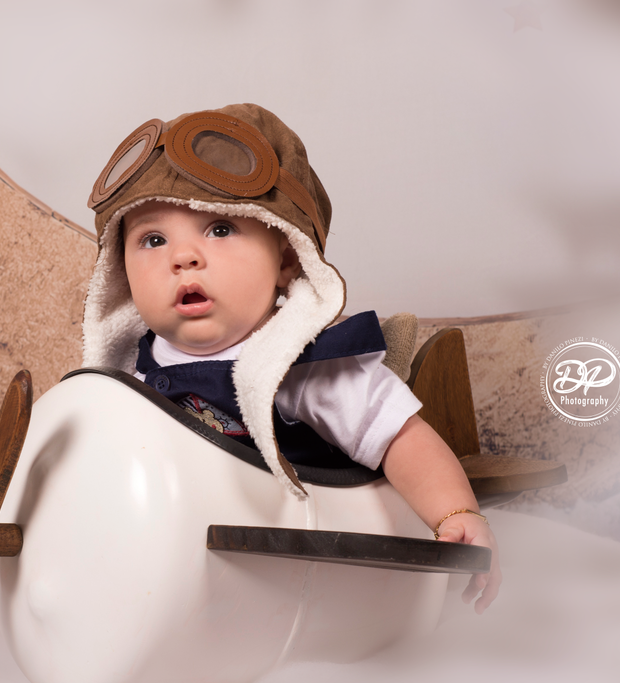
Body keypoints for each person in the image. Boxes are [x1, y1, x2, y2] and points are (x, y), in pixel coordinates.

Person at [82, 103, 501, 612]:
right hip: (183, 569)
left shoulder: (306, 368)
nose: (182, 257)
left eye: (219, 229)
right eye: (152, 239)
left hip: (292, 570)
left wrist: (455, 512)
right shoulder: (128, 374)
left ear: (285, 259)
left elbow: (400, 438)